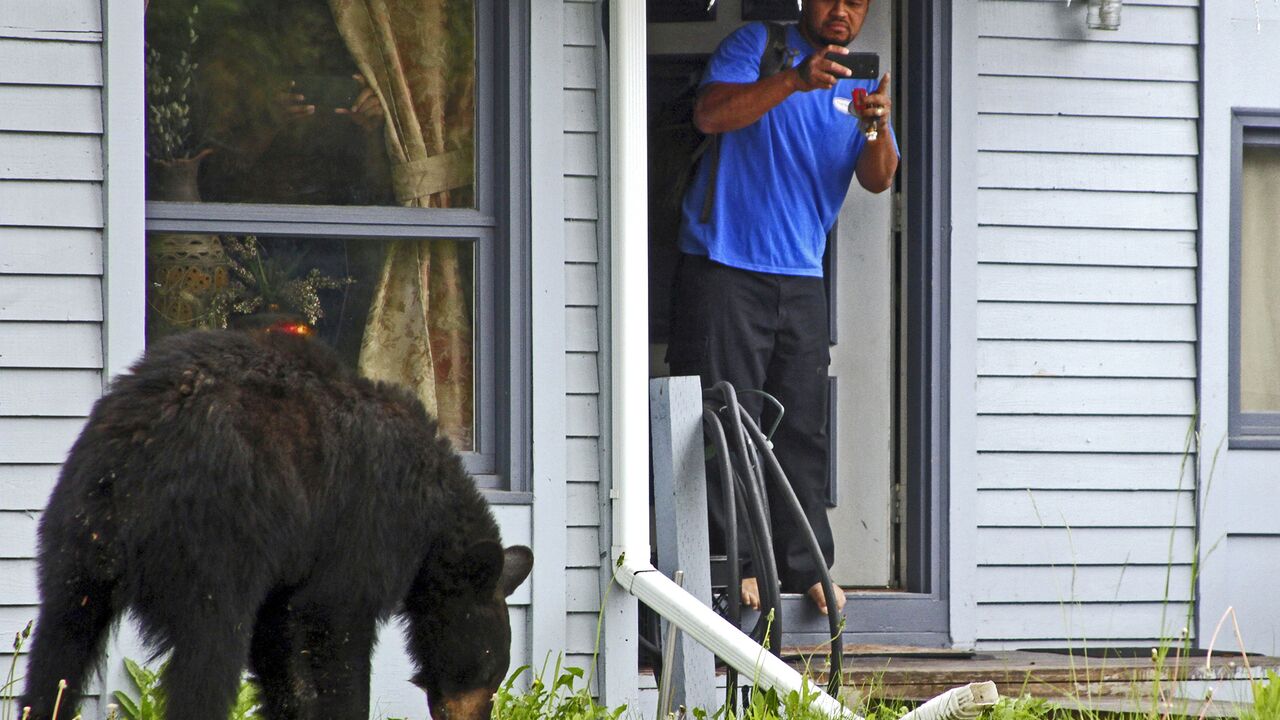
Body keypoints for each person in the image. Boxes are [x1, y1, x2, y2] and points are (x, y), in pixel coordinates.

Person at [665, 0, 899, 616]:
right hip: (724, 266)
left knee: (801, 430)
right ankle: (736, 562)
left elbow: (878, 179)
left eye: (857, 1)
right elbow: (711, 114)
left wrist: (875, 125)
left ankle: (807, 566)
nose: (842, 10)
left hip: (800, 276)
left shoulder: (860, 82)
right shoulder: (757, 47)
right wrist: (794, 79)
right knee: (724, 419)